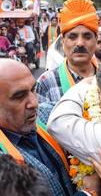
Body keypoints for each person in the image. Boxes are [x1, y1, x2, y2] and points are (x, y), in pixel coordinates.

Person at [0, 58, 89, 196]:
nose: (34, 103)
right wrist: (88, 193)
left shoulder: (46, 115)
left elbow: (83, 100)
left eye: (33, 89)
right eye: (19, 96)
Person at [36, 0, 99, 125]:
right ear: (63, 41)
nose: (80, 43)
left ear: (96, 41)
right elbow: (39, 131)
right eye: (73, 37)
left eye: (87, 36)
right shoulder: (46, 82)